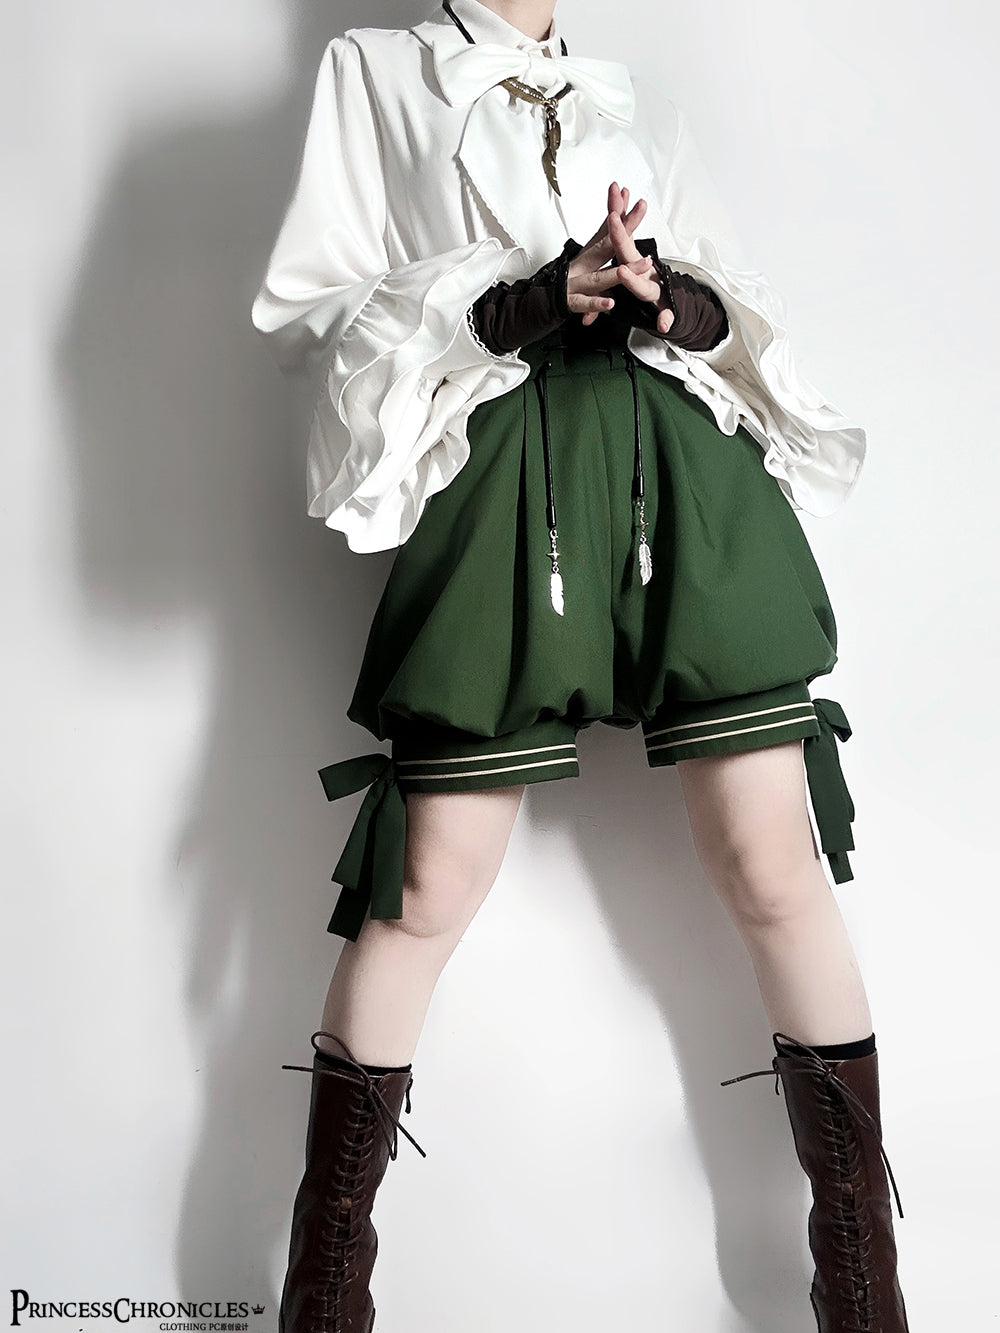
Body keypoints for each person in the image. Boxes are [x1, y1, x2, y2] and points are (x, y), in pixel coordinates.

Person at [251, 1, 909, 1329]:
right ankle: (324, 1290)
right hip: (506, 482)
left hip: (683, 478)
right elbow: (316, 316)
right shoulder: (377, 73)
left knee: (774, 863)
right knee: (426, 884)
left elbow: (739, 304)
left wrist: (674, 296)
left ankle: (862, 1287)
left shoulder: (626, 92)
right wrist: (522, 303)